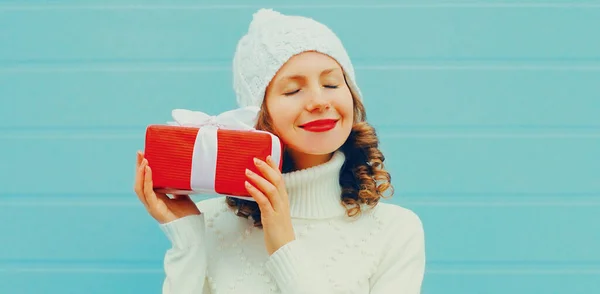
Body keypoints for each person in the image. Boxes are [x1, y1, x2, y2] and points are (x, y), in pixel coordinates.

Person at [134, 8, 425, 294]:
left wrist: (284, 245)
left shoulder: (395, 231)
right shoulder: (209, 223)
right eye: (292, 90)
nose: (319, 101)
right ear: (261, 115)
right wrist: (188, 241)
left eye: (331, 83)